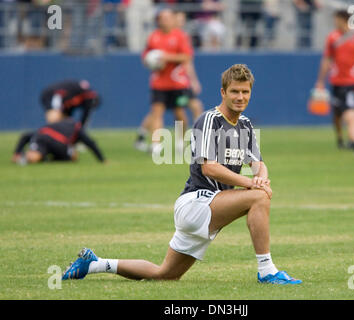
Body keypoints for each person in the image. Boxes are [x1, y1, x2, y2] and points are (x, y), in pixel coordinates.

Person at [61, 64, 302, 285]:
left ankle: (94, 264)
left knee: (166, 275)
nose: (240, 97)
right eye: (235, 91)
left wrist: (261, 176)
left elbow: (258, 162)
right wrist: (251, 184)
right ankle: (267, 270)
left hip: (212, 206)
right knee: (259, 197)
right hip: (197, 202)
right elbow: (208, 167)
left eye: (245, 92)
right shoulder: (209, 120)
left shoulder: (246, 125)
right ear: (223, 92)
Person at [315, 10, 354, 160]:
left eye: (337, 20)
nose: (335, 23)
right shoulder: (333, 37)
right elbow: (327, 59)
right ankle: (341, 138)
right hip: (337, 81)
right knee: (336, 112)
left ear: (344, 20)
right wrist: (321, 80)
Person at [135, 8, 194, 155]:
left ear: (173, 19)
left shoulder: (180, 36)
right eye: (162, 18)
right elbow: (145, 56)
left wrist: (166, 57)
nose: (165, 21)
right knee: (157, 112)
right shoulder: (153, 37)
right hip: (159, 82)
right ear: (158, 21)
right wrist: (150, 61)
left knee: (179, 112)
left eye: (168, 18)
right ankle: (156, 145)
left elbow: (186, 57)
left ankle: (180, 141)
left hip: (177, 82)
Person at [11, 116, 105, 165]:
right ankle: (29, 158)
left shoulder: (56, 125)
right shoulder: (77, 128)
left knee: (36, 156)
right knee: (73, 156)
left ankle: (22, 157)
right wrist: (102, 160)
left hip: (42, 136)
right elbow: (90, 143)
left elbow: (25, 136)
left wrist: (17, 152)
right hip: (58, 143)